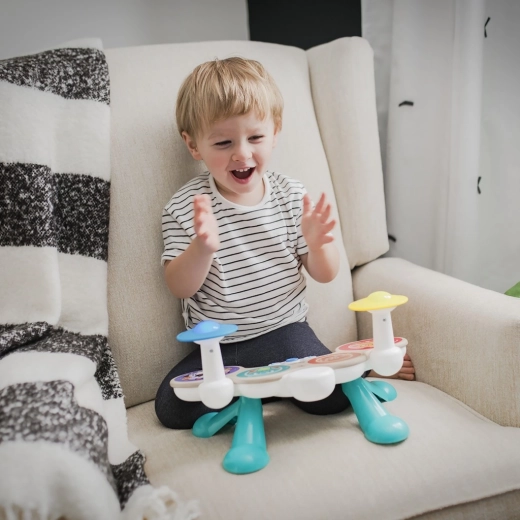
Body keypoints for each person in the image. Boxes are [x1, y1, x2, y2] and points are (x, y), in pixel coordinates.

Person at [155, 57, 414, 429]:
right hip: (221, 349)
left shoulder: (290, 196)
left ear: (275, 132)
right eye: (224, 142)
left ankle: (274, 388)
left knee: (332, 399)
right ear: (193, 144)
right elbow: (179, 286)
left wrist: (317, 244)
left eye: (255, 138)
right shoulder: (185, 207)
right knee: (170, 408)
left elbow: (325, 274)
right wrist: (202, 249)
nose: (242, 153)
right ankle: (267, 389)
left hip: (286, 334)